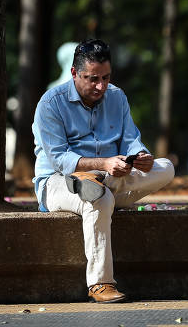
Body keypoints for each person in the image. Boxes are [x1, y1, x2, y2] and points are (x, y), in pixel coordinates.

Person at [32, 39, 175, 303]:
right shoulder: (50, 103)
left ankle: (97, 187)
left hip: (108, 175)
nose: (101, 86)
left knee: (165, 167)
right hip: (57, 182)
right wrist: (103, 163)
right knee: (99, 198)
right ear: (74, 73)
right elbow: (60, 160)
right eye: (92, 79)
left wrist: (141, 156)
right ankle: (100, 284)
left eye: (106, 78)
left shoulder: (117, 96)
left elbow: (130, 138)